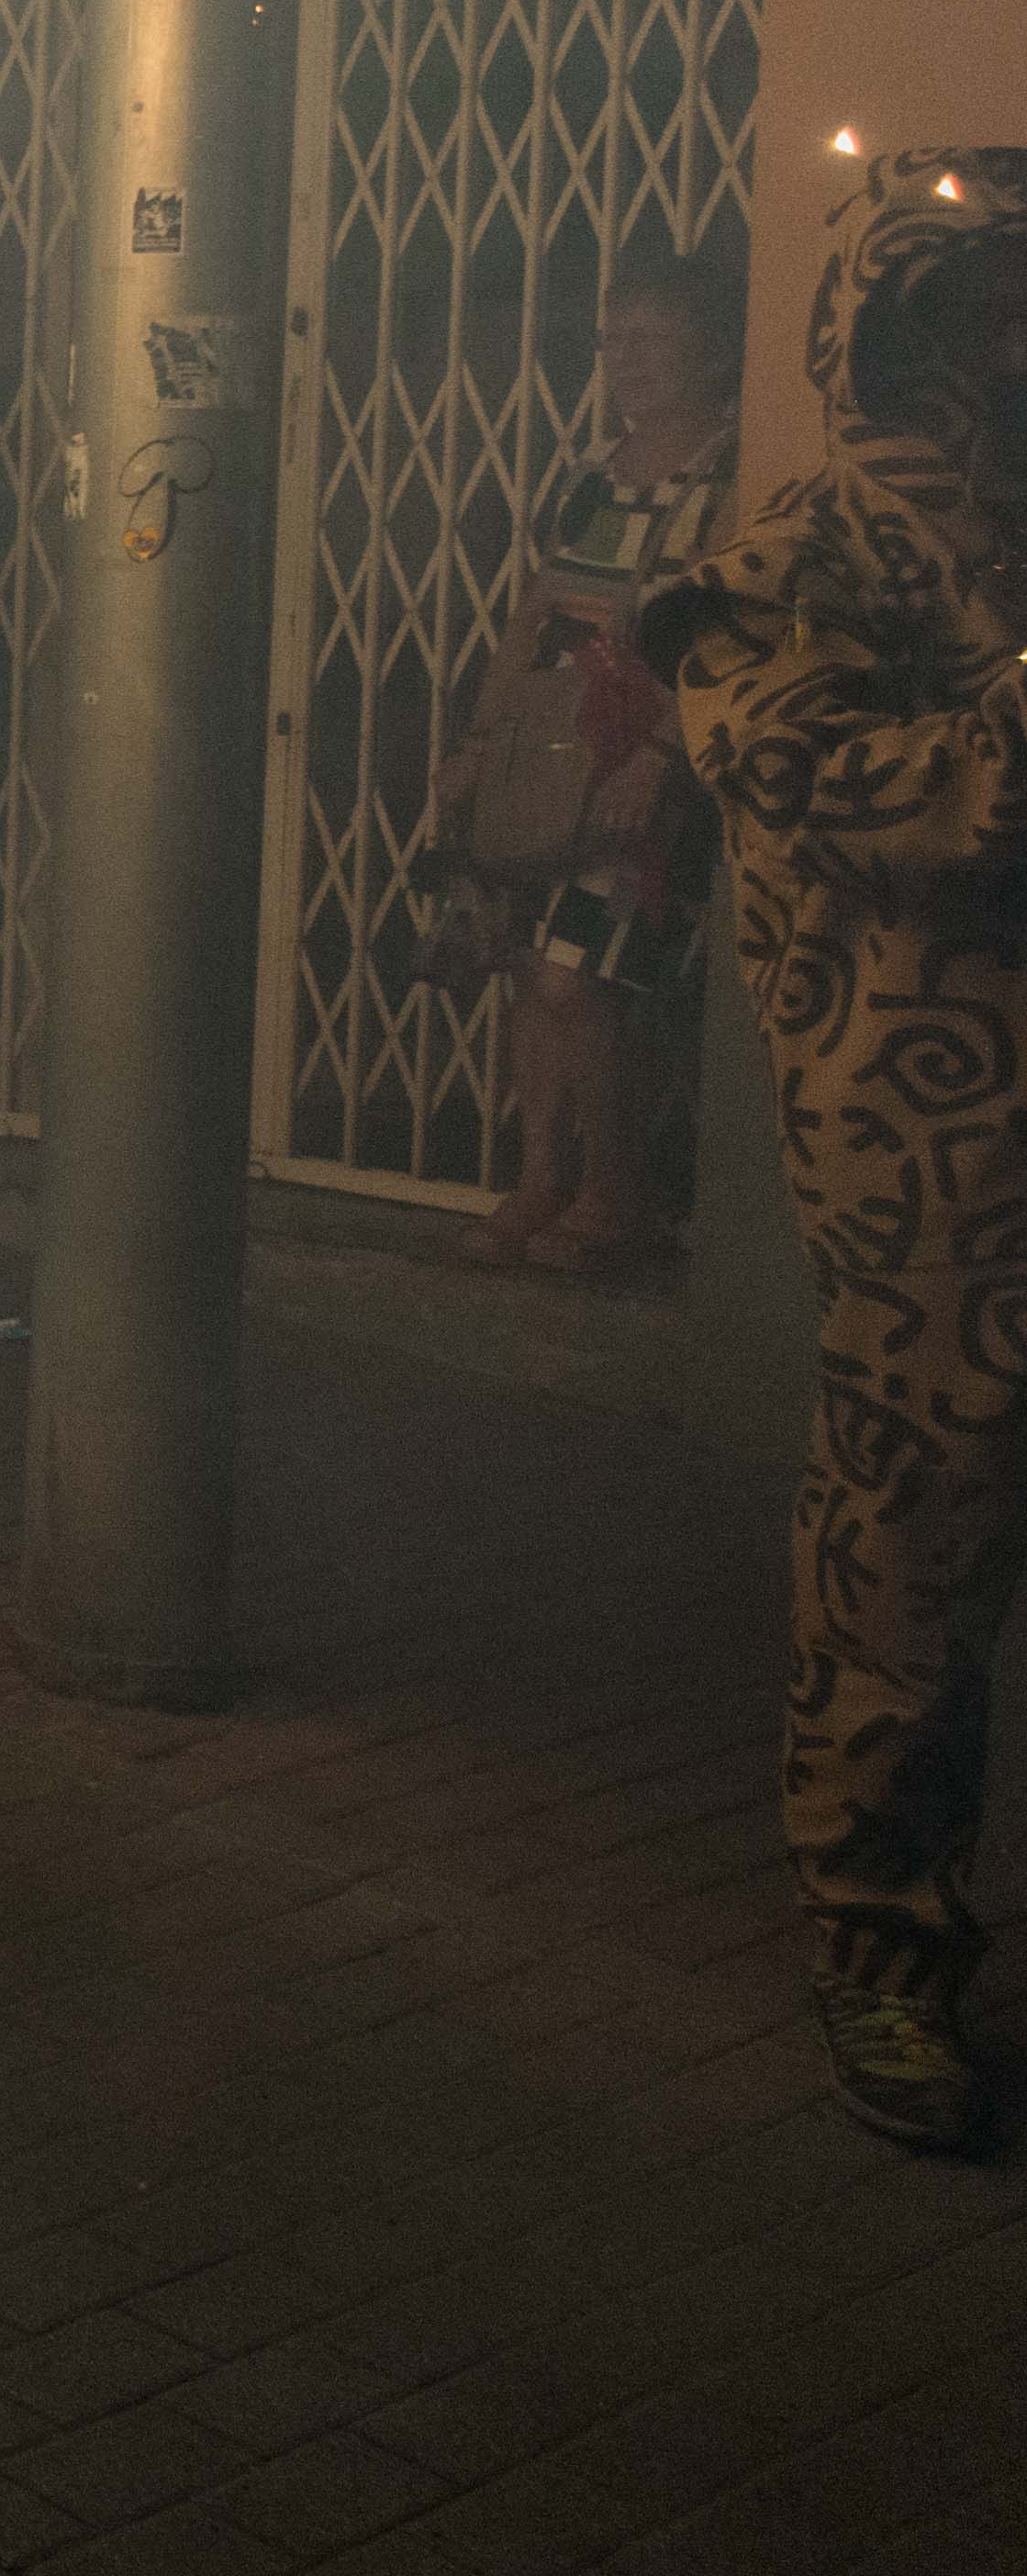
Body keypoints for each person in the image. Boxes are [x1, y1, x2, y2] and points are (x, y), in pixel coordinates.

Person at [645, 148, 1027, 2156]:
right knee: (907, 1576)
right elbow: (880, 795)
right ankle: (880, 1949)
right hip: (932, 1181)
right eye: (987, 316)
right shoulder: (799, 559)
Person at [436, 255, 742, 1271]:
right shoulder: (596, 478)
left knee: (588, 984)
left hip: (646, 772)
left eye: (654, 341)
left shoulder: (733, 481)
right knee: (533, 975)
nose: (630, 363)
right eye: (616, 341)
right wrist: (484, 741)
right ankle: (542, 1182)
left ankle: (619, 1196)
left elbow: (727, 636)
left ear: (713, 348)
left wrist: (664, 748)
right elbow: (542, 612)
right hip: (559, 765)